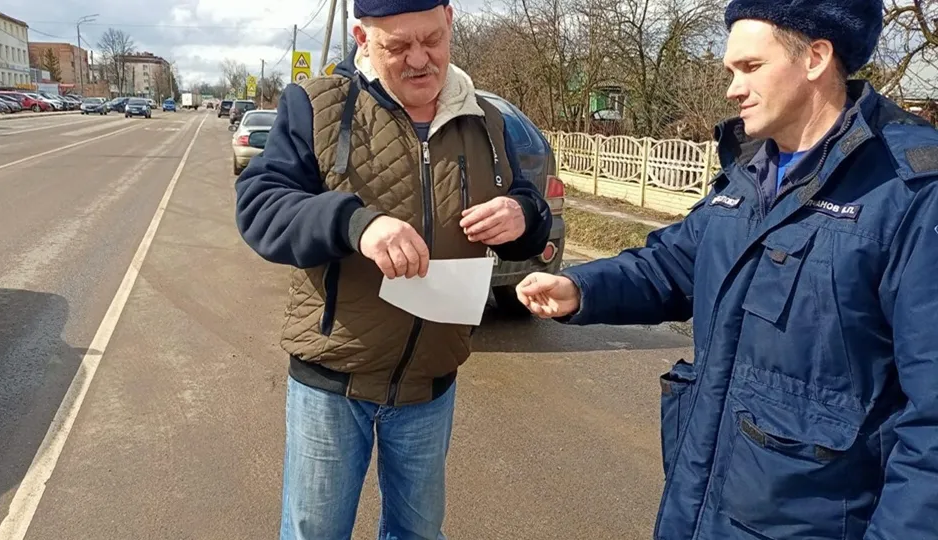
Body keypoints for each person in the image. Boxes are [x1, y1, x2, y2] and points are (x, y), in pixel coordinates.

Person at [517, 0, 938, 538]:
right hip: (701, 506)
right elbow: (673, 262)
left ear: (815, 57)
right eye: (729, 71)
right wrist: (580, 286)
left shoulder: (910, 191)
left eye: (750, 67)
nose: (732, 88)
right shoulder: (750, 169)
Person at [234, 0, 553, 538]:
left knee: (419, 533)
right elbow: (261, 208)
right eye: (397, 46)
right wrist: (356, 224)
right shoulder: (315, 106)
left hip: (430, 386)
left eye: (431, 39)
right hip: (332, 384)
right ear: (361, 37)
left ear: (450, 21)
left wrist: (523, 213)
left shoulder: (487, 120)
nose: (419, 60)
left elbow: (528, 208)